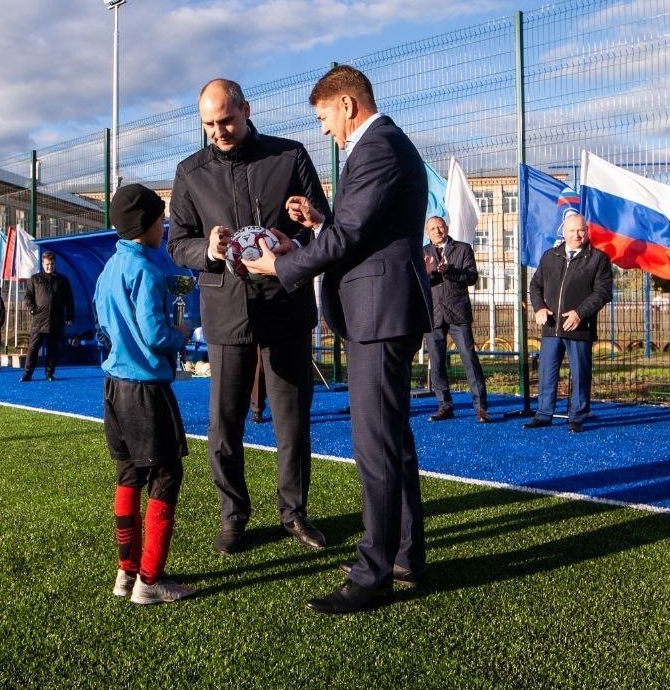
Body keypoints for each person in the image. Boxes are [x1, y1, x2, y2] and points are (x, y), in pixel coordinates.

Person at [244, 64, 431, 615]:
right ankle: (404, 554)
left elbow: (352, 238)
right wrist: (321, 220)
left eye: (325, 116)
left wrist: (281, 265)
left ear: (347, 104)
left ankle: (373, 573)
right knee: (392, 440)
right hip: (382, 310)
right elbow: (358, 230)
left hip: (381, 313)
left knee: (376, 444)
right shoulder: (384, 147)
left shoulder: (378, 147)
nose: (325, 129)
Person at [167, 78, 332, 556]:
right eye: (209, 125)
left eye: (226, 121)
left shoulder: (290, 155)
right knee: (224, 423)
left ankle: (294, 513)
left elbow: (323, 222)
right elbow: (178, 244)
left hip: (285, 302)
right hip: (226, 309)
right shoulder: (190, 172)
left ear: (246, 109)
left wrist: (296, 242)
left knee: (292, 419)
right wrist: (209, 249)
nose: (218, 131)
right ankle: (233, 516)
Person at [95, 183, 195, 605]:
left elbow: (103, 322)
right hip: (145, 390)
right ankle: (150, 580)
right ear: (147, 225)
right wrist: (181, 334)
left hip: (114, 387)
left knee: (128, 474)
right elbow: (155, 335)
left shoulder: (109, 267)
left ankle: (125, 572)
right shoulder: (149, 271)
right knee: (166, 474)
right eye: (161, 220)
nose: (165, 228)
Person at [524, 214, 613, 433]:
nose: (577, 235)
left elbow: (602, 292)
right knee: (547, 372)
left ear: (587, 231)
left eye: (581, 230)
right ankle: (544, 414)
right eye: (572, 230)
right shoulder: (550, 256)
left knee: (580, 373)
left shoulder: (598, 259)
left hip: (579, 328)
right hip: (551, 327)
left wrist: (580, 313)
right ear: (563, 232)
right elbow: (535, 286)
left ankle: (578, 416)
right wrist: (539, 308)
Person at [422, 216, 489, 423]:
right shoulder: (423, 252)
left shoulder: (463, 249)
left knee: (469, 359)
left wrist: (449, 270)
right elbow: (418, 282)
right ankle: (444, 406)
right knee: (437, 362)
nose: (437, 231)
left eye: (440, 227)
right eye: (432, 228)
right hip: (433, 314)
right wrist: (426, 273)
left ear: (446, 228)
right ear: (427, 232)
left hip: (458, 314)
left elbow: (471, 277)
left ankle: (480, 407)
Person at [21, 250, 75, 382]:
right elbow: (28, 296)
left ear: (55, 264)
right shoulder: (35, 279)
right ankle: (27, 374)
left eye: (51, 264)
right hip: (39, 321)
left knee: (52, 349)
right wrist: (33, 309)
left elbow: (69, 300)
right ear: (42, 264)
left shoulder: (62, 280)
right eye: (47, 264)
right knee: (33, 348)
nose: (49, 267)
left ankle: (49, 373)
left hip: (56, 320)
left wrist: (69, 316)